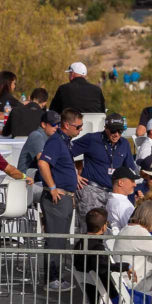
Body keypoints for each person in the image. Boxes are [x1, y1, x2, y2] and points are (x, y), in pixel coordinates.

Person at [36, 108, 85, 289]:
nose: (80, 130)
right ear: (66, 125)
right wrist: (53, 187)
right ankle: (52, 279)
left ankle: (56, 277)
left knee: (61, 239)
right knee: (55, 240)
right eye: (78, 126)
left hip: (65, 197)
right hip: (57, 198)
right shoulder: (56, 141)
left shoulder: (64, 142)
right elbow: (43, 163)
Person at [72, 113, 137, 231]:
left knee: (110, 230)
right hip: (92, 191)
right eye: (113, 130)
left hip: (112, 194)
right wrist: (73, 174)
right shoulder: (92, 139)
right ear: (105, 128)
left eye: (120, 131)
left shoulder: (124, 144)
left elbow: (129, 170)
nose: (116, 134)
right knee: (89, 230)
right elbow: (65, 152)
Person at [106, 167, 137, 234]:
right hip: (124, 239)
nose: (135, 184)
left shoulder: (111, 199)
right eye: (132, 181)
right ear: (120, 183)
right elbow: (133, 230)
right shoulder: (122, 203)